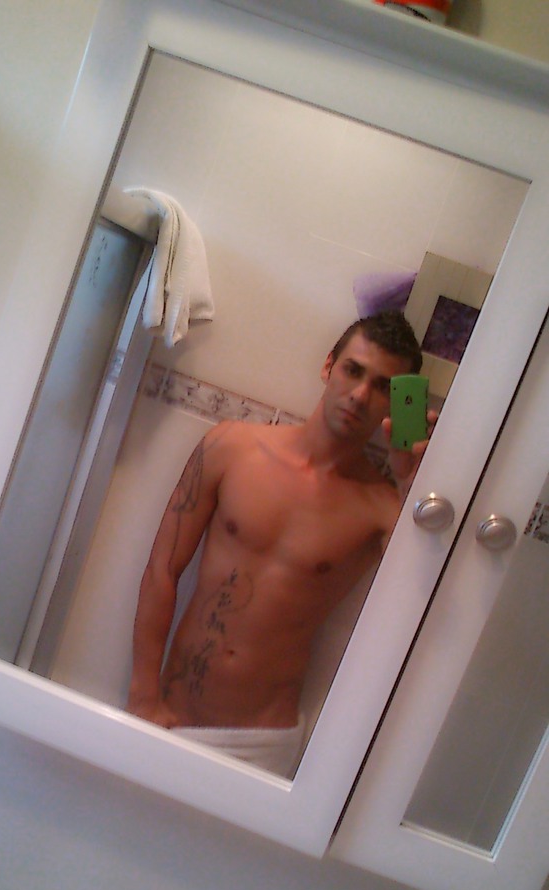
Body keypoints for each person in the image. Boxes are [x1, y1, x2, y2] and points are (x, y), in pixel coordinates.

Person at [127, 310, 433, 775]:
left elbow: (422, 607)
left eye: (383, 387)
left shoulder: (384, 508)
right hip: (167, 711)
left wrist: (411, 484)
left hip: (261, 742)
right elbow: (162, 570)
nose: (360, 395)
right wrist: (143, 694)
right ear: (328, 366)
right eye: (353, 371)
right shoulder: (231, 447)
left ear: (396, 404)